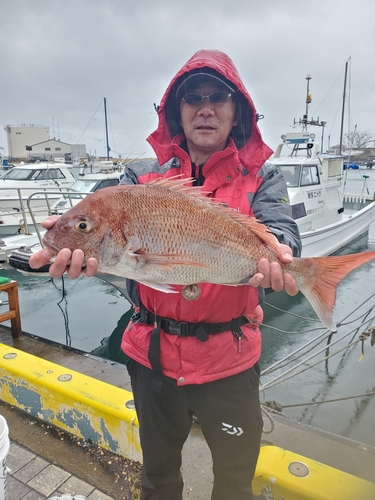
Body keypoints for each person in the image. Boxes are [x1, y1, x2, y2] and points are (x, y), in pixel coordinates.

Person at [30, 49, 301, 500]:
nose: (205, 107)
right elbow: (96, 216)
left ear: (239, 112)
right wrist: (71, 237)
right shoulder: (139, 177)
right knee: (157, 478)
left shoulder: (263, 178)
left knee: (235, 482)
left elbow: (280, 229)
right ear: (177, 111)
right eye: (192, 97)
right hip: (151, 359)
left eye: (219, 97)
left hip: (230, 363)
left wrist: (282, 252)